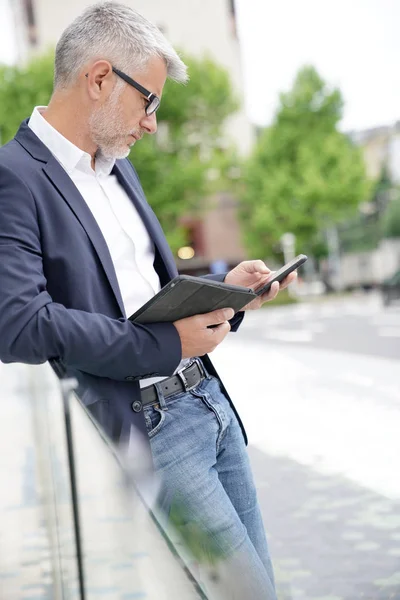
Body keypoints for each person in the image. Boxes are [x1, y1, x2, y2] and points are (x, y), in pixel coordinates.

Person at [0, 3, 296, 597]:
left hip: (210, 405)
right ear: (100, 77)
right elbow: (19, 324)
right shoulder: (14, 176)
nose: (152, 122)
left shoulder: (120, 168)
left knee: (261, 584)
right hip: (151, 430)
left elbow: (143, 294)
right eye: (149, 102)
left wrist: (223, 297)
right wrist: (164, 344)